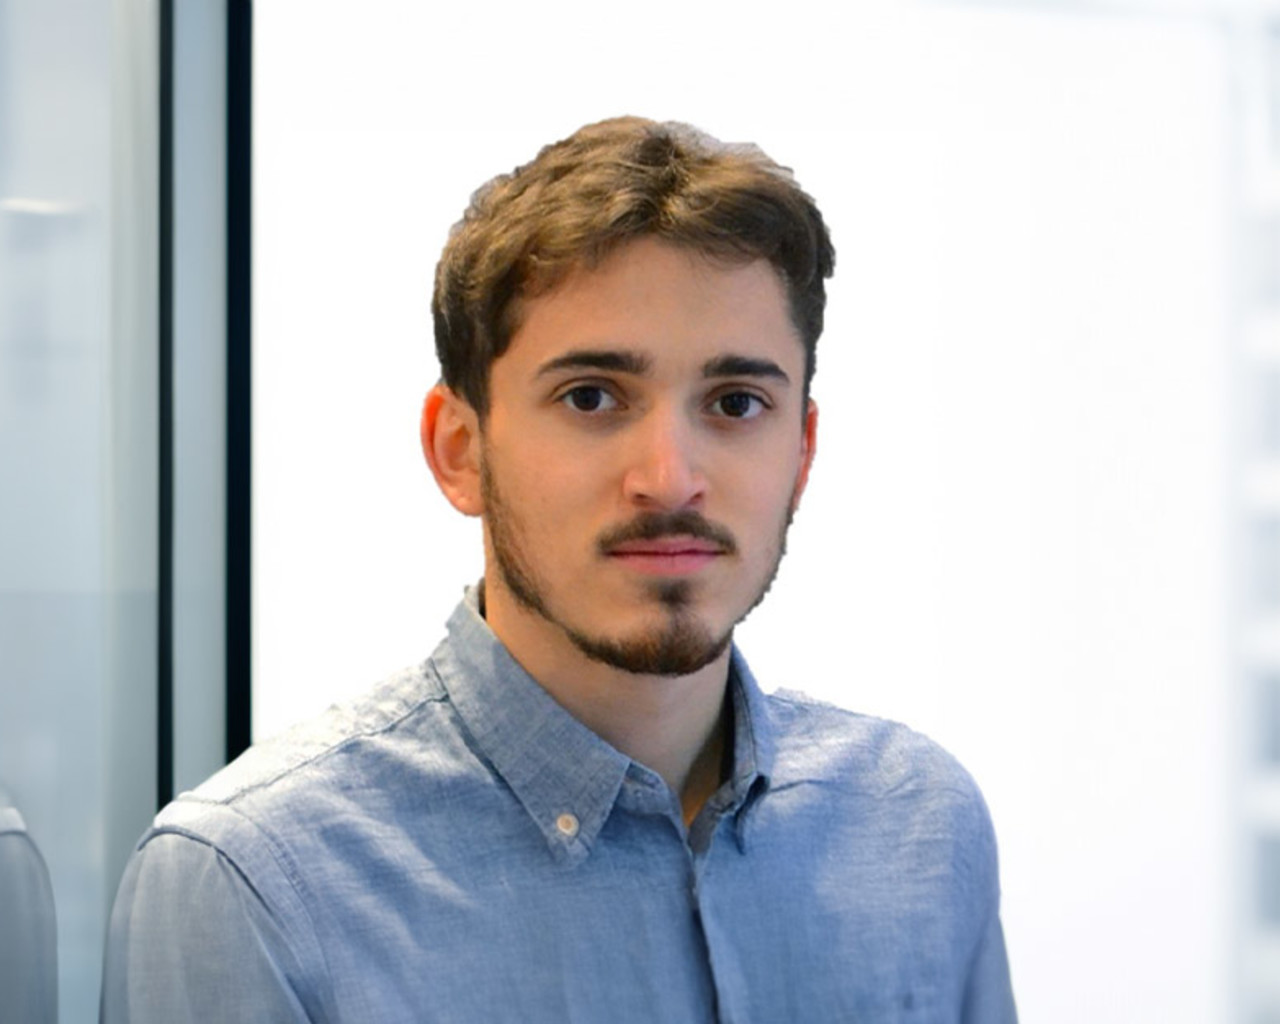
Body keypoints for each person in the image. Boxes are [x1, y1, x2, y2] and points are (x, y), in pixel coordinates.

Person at [101, 116, 1017, 1022]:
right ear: (460, 450)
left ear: (802, 453)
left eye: (736, 403)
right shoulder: (255, 887)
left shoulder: (918, 830)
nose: (670, 479)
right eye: (591, 397)